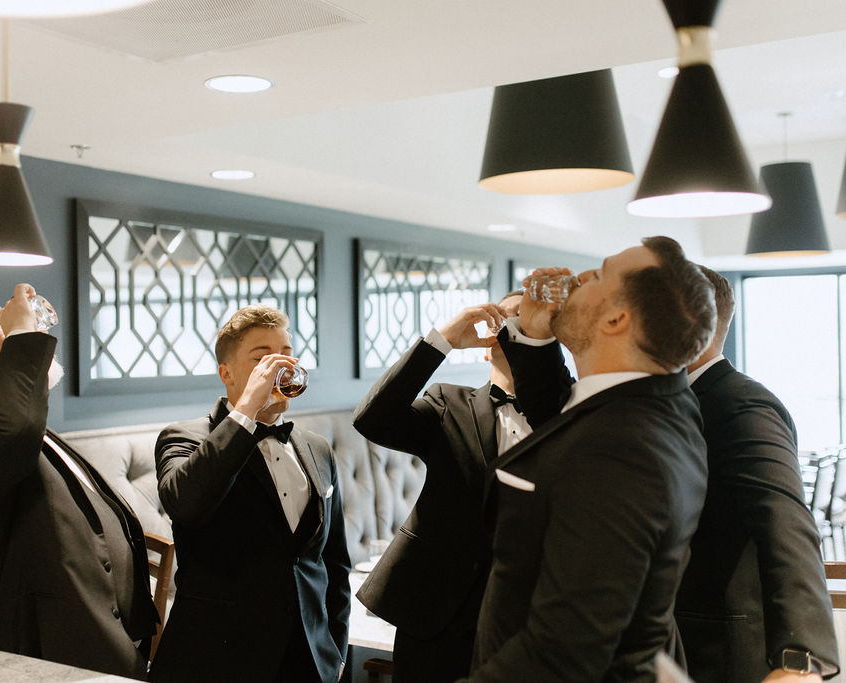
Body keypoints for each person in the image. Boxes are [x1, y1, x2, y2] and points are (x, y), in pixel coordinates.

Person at [464, 236, 715, 682]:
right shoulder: (658, 401)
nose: (578, 278)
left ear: (617, 318)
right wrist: (536, 335)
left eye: (598, 274)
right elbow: (566, 417)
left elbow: (562, 653)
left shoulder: (623, 451)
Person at [0, 283, 158, 679]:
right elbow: (8, 430)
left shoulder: (29, 428)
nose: (9, 323)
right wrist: (22, 334)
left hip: (101, 649)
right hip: (33, 661)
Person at [153, 304, 351, 682]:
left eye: (287, 355)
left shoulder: (317, 448)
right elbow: (186, 505)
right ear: (226, 373)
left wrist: (335, 653)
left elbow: (334, 562)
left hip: (310, 663)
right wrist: (246, 411)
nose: (281, 366)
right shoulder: (184, 438)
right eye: (264, 358)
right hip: (217, 664)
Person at [353, 291, 534, 681]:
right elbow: (373, 419)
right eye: (506, 317)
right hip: (439, 615)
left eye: (529, 319)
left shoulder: (572, 411)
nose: (514, 327)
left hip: (532, 615)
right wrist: (443, 341)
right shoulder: (447, 402)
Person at [675, 266, 838, 682]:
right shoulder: (667, 403)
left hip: (717, 651)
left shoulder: (740, 404)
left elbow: (785, 524)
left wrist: (802, 656)